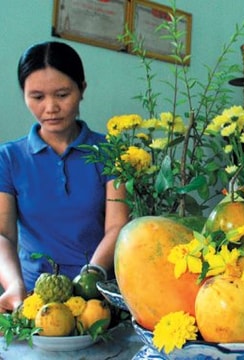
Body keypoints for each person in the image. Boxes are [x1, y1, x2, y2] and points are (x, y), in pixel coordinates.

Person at [0, 41, 129, 313]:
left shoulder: (109, 151)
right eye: (37, 97)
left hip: (98, 298)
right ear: (24, 94)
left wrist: (91, 276)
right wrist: (13, 286)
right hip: (34, 299)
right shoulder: (9, 158)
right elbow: (3, 235)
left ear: (82, 89)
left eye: (61, 94)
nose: (50, 107)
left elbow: (117, 226)